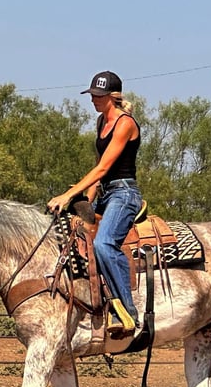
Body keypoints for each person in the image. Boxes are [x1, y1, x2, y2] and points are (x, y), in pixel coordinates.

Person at [47, 71, 143, 335]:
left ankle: (127, 312)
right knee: (70, 231)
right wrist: (85, 200)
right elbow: (97, 173)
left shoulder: (125, 124)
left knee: (104, 243)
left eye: (98, 96)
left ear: (112, 97)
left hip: (124, 195)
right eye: (92, 95)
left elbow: (102, 169)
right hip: (105, 194)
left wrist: (67, 195)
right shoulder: (102, 121)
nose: (94, 100)